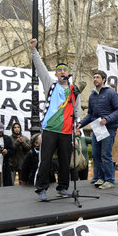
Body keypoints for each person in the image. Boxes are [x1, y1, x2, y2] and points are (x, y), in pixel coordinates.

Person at [29, 38, 81, 201]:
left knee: (65, 162)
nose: (63, 72)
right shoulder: (50, 84)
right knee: (45, 161)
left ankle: (63, 187)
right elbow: (41, 68)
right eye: (60, 70)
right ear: (56, 74)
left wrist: (77, 125)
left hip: (67, 131)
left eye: (65, 70)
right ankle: (41, 189)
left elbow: (77, 109)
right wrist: (33, 51)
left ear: (68, 74)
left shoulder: (74, 90)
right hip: (50, 129)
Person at [78, 70, 118, 190]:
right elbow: (90, 114)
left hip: (108, 128)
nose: (95, 79)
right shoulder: (92, 95)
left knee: (106, 154)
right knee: (95, 154)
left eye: (97, 77)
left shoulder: (111, 93)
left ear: (103, 80)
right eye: (94, 77)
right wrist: (80, 124)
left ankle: (109, 180)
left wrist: (107, 119)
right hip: (96, 128)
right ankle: (100, 178)